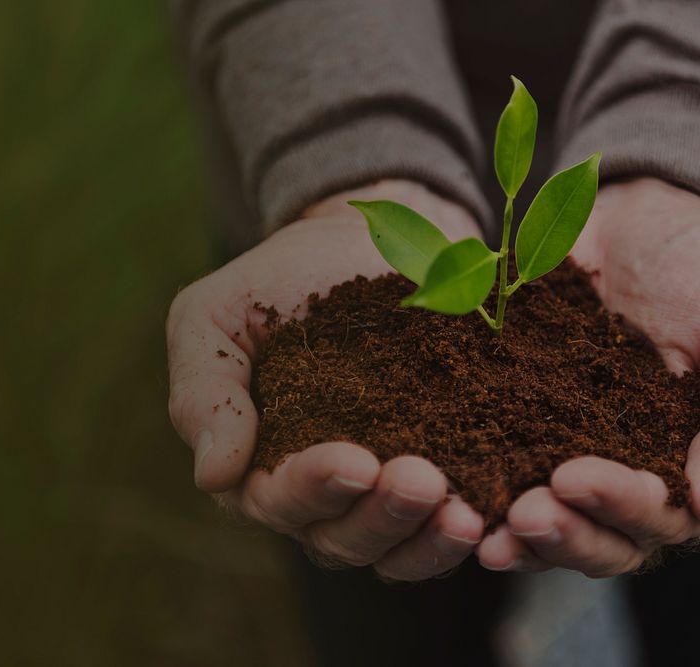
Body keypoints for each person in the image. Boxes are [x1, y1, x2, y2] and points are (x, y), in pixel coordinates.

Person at [167, 1, 700, 664]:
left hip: (682, 193)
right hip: (298, 159)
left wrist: (679, 126)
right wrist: (348, 148)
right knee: (389, 605)